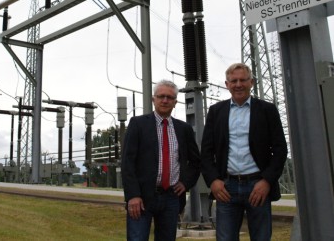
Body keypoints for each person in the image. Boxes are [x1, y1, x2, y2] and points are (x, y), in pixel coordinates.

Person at [201, 63, 287, 241]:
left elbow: (280, 149)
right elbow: (206, 152)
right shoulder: (216, 112)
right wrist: (213, 181)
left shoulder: (267, 110)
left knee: (261, 237)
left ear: (252, 82)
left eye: (243, 80)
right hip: (226, 188)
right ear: (227, 84)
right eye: (234, 81)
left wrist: (267, 181)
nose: (238, 84)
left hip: (258, 187)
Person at [121, 79, 200, 241]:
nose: (165, 100)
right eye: (161, 96)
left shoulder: (183, 129)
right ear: (153, 99)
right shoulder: (138, 124)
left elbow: (195, 162)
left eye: (170, 97)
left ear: (175, 102)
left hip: (171, 198)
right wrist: (133, 196)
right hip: (141, 198)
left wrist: (185, 183)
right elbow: (127, 163)